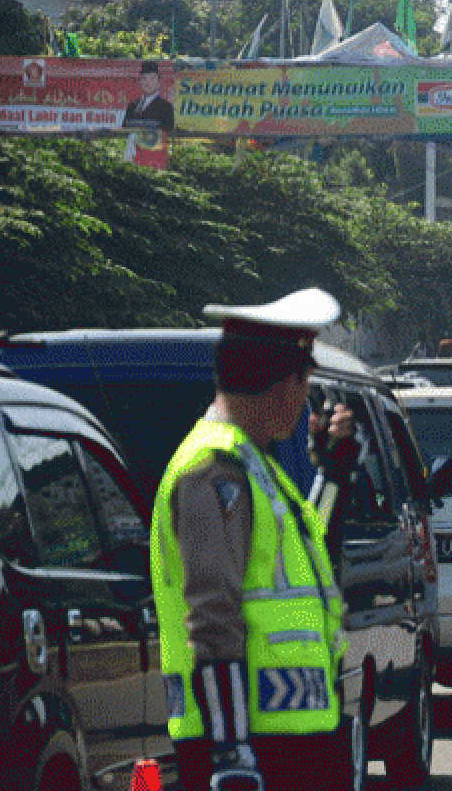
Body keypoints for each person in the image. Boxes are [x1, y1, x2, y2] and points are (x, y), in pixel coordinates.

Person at [150, 288, 358, 791]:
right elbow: (212, 615)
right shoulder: (213, 469)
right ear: (283, 384)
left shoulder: (254, 465)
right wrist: (233, 755)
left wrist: (331, 475)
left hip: (293, 742)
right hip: (253, 751)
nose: (306, 398)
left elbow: (304, 565)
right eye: (305, 382)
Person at [123, 60, 175, 131]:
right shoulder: (132, 107)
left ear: (159, 83)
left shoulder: (166, 107)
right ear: (140, 82)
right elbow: (125, 131)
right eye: (144, 79)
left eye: (152, 79)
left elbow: (168, 134)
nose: (148, 83)